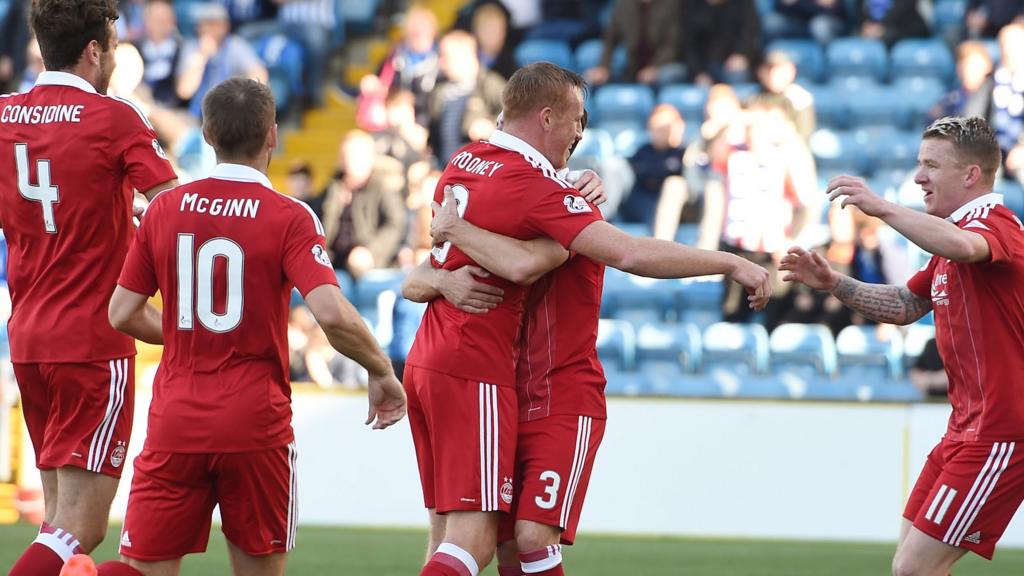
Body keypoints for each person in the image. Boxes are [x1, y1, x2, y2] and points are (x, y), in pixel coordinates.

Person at [401, 62, 771, 576]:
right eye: (577, 119)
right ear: (548, 118)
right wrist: (730, 261)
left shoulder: (466, 161)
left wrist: (457, 243)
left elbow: (428, 271)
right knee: (478, 537)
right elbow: (628, 254)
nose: (582, 131)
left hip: (543, 389)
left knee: (509, 536)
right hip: (487, 373)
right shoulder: (543, 192)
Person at [103, 78, 406, 576]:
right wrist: (380, 370)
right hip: (255, 425)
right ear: (272, 136)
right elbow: (330, 313)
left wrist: (184, 333)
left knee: (142, 569)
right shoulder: (290, 216)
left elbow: (122, 313)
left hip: (177, 420)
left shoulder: (164, 209)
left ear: (206, 134)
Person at [779, 116, 1024, 575]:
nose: (918, 177)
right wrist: (833, 282)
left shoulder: (996, 224)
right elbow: (906, 305)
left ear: (970, 175)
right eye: (917, 164)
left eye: (931, 165)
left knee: (914, 568)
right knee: (911, 566)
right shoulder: (948, 241)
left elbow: (968, 248)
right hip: (964, 431)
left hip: (1000, 434)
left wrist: (881, 207)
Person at [0, 0, 179, 573]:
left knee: (58, 524)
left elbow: (46, 207)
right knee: (82, 527)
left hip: (28, 337)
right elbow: (175, 210)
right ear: (95, 50)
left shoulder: (3, 115)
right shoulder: (113, 117)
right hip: (92, 342)